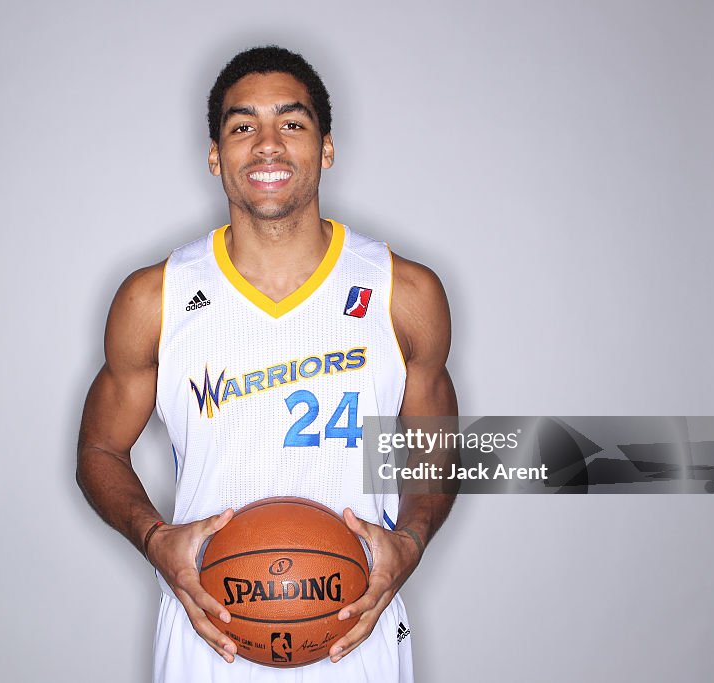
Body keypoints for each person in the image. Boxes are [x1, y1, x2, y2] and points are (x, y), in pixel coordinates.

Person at [76, 45, 458, 682]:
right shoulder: (156, 299)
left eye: (293, 123)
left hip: (356, 631)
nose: (268, 145)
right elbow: (98, 450)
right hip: (211, 631)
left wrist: (410, 543)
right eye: (242, 126)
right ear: (214, 156)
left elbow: (435, 449)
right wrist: (154, 539)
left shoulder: (404, 293)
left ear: (326, 147)